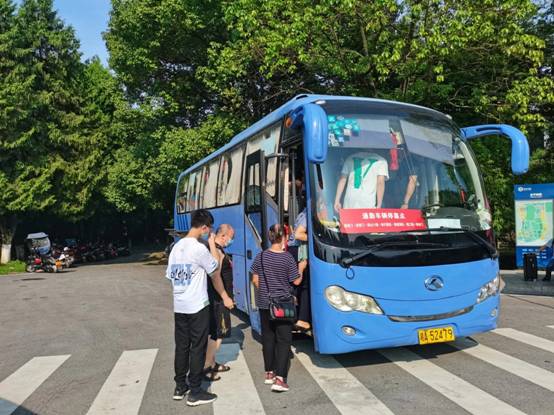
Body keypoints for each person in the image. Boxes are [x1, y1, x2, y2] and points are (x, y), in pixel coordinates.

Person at [166, 209, 234, 406]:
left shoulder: (176, 248)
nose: (209, 232)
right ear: (204, 227)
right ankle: (195, 391)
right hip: (197, 305)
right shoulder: (199, 248)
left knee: (182, 346)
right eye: (209, 228)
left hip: (179, 305)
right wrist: (212, 243)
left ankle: (180, 386)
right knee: (198, 347)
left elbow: (171, 276)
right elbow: (215, 271)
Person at [251, 224, 301, 392]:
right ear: (284, 238)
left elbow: (255, 280)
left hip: (265, 304)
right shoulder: (287, 258)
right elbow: (296, 281)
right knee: (284, 340)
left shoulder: (260, 256)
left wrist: (266, 293)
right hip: (283, 304)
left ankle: (269, 373)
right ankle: (280, 379)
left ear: (270, 237)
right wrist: (301, 267)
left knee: (268, 338)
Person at [204, 224, 235, 380]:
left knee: (214, 332)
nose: (231, 240)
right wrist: (226, 298)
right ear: (223, 236)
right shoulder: (216, 251)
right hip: (218, 300)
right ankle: (206, 366)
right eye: (231, 237)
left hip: (215, 298)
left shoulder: (214, 249)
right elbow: (215, 276)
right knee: (218, 333)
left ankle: (212, 362)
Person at [287, 208, 310, 330]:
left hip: (294, 250)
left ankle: (294, 317)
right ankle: (302, 319)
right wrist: (314, 238)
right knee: (304, 285)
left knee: (297, 285)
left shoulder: (303, 213)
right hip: (299, 251)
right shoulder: (307, 213)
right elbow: (298, 234)